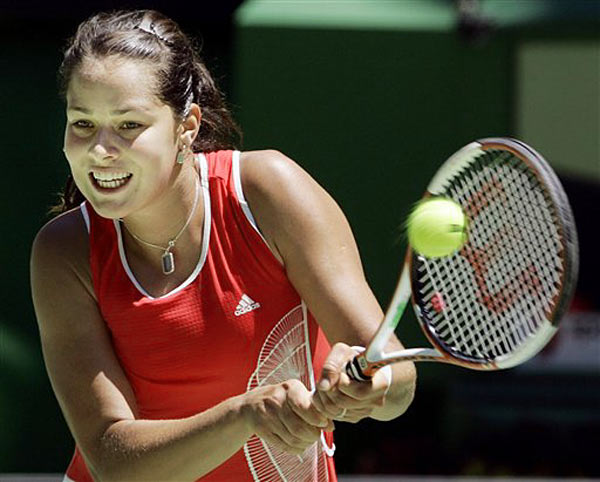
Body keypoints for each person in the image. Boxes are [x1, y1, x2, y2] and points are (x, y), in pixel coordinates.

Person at [30, 9, 416, 482]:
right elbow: (113, 461)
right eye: (83, 123)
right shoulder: (63, 252)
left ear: (187, 126)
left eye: (129, 125)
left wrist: (371, 381)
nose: (100, 150)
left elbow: (397, 381)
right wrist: (244, 415)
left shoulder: (269, 193)